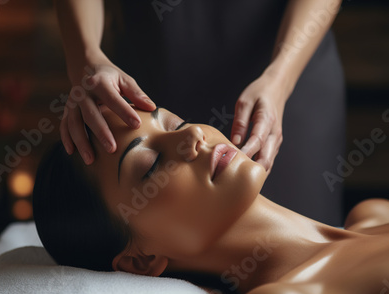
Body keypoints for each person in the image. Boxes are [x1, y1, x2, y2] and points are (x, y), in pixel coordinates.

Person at [33, 106, 389, 294]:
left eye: (172, 122)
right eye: (152, 163)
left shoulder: (375, 213)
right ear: (140, 260)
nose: (191, 136)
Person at [54, 0, 346, 226]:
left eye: (178, 125)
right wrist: (86, 59)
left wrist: (280, 79)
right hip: (146, 76)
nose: (194, 132)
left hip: (288, 69)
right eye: (152, 163)